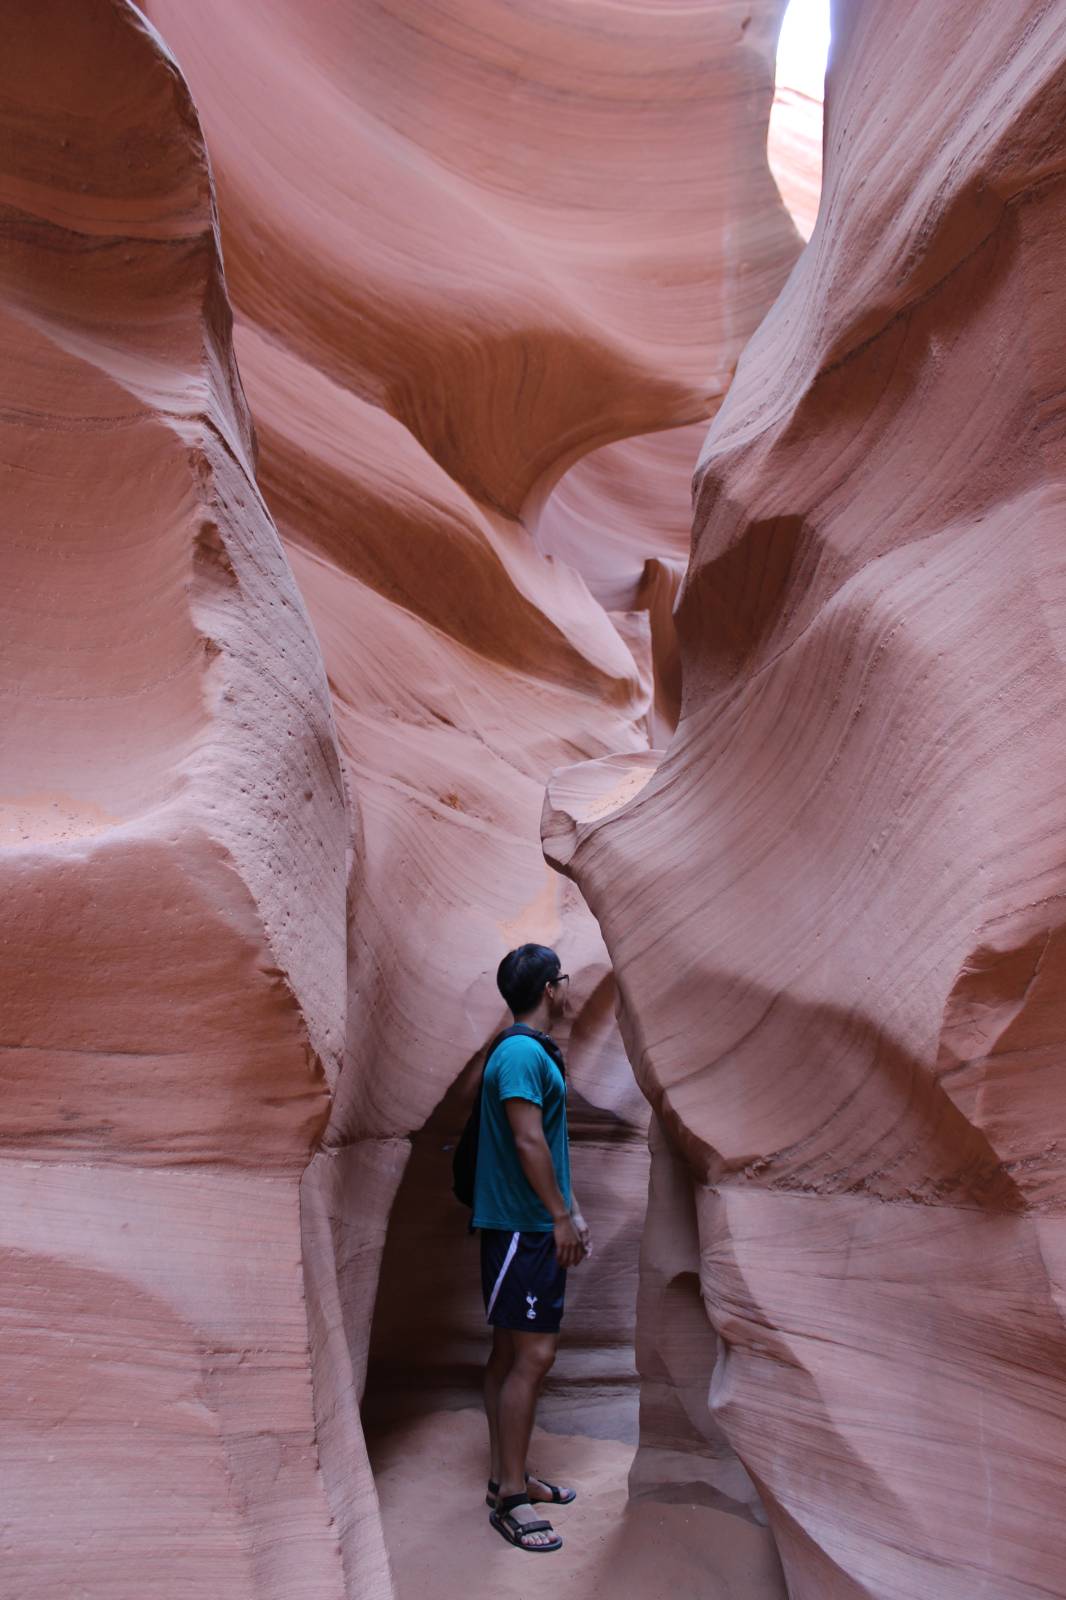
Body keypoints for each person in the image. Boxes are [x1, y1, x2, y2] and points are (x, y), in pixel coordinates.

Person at [474, 943, 592, 1553]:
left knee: (509, 1352)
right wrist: (558, 1216)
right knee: (534, 1355)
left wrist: (570, 1206)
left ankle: (506, 1478)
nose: (568, 990)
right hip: (523, 1228)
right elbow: (527, 1143)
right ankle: (512, 1500)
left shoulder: (526, 1052)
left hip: (529, 1224)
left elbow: (544, 1143)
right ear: (550, 988)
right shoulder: (521, 1054)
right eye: (564, 981)